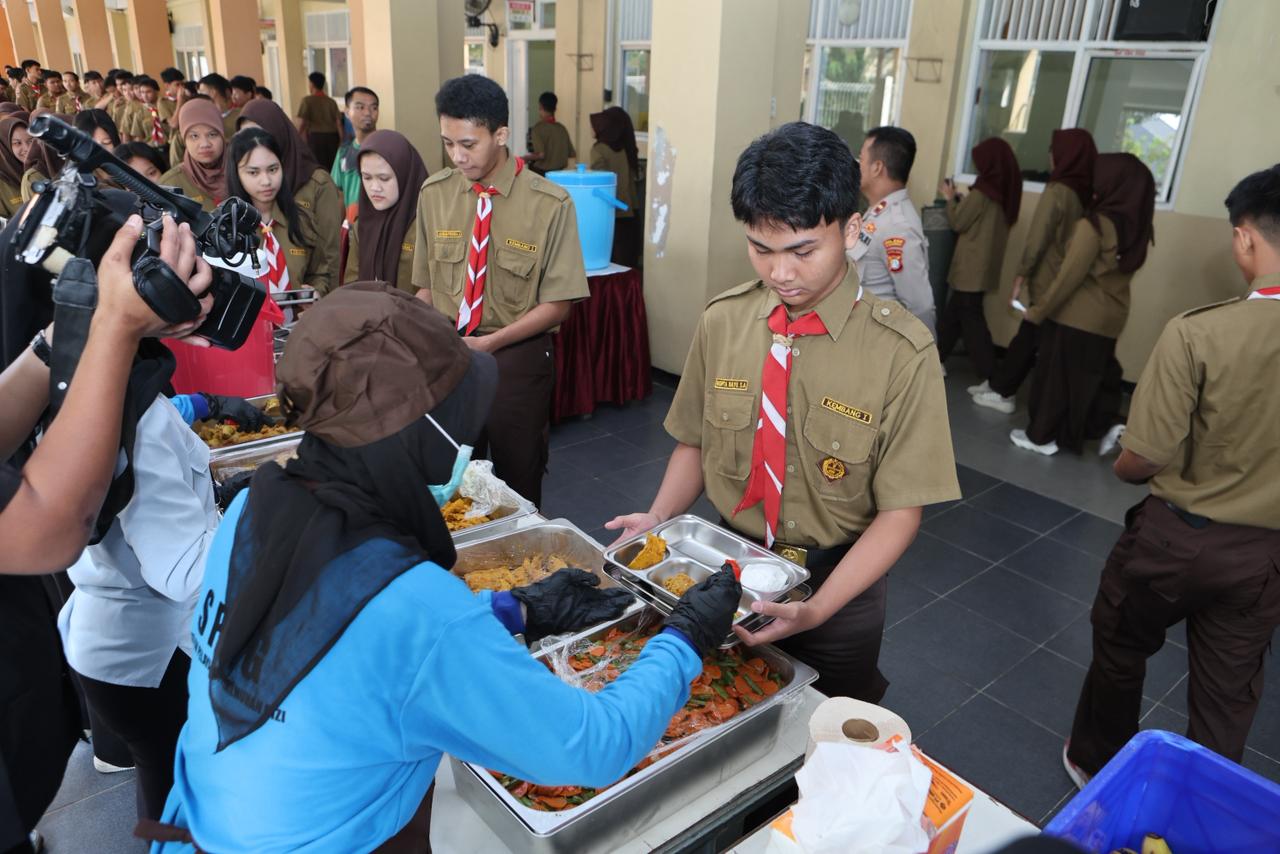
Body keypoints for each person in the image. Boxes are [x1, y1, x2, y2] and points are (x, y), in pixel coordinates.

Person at [145, 283, 741, 852]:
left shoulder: (254, 508)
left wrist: (514, 609)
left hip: (207, 821)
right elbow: (593, 746)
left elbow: (339, 649)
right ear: (419, 437)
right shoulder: (418, 608)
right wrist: (684, 638)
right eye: (458, 421)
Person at [606, 122, 961, 700]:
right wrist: (659, 517)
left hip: (838, 587)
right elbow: (695, 441)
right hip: (726, 566)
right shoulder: (724, 321)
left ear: (851, 230)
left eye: (803, 251)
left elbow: (901, 513)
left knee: (827, 724)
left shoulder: (902, 352)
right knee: (719, 706)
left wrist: (818, 608)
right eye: (761, 249)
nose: (780, 274)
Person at [1063, 165, 1280, 788]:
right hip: (1264, 557)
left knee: (1121, 642)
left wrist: (1122, 459)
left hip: (1177, 540)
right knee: (1228, 690)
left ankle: (1099, 761)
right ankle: (1204, 800)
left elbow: (1145, 459)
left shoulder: (1199, 331)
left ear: (1245, 238)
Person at [0, 216, 212, 853]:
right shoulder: (131, 417)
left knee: (157, 772)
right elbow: (186, 572)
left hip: (100, 652)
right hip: (145, 659)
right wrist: (261, 527)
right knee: (176, 777)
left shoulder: (59, 400)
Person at [412, 74, 589, 506]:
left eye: (468, 144)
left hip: (516, 359)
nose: (457, 156)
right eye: (448, 143)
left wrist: (490, 343)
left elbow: (558, 304)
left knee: (517, 484)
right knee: (451, 482)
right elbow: (427, 288)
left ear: (501, 135)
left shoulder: (550, 204)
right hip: (451, 356)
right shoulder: (435, 194)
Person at [1010, 153, 1155, 457]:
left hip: (1077, 315)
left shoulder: (1094, 226)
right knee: (1090, 378)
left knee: (1055, 379)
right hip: (1111, 316)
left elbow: (1067, 277)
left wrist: (1038, 311)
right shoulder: (1138, 228)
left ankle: (1041, 437)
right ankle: (1105, 425)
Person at [973, 128, 1097, 413]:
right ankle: (1000, 385)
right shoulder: (1085, 192)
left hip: (1046, 274)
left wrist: (1021, 275)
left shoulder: (1057, 191)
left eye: (1054, 151)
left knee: (1031, 333)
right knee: (1034, 335)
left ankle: (1004, 391)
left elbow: (1038, 237)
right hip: (1065, 277)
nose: (1050, 157)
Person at [239, 98, 345, 295]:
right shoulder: (242, 183)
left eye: (261, 135)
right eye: (246, 136)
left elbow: (329, 254)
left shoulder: (317, 183)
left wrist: (324, 299)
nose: (254, 144)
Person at [936, 138, 1021, 379]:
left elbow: (958, 222)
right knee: (954, 315)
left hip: (971, 266)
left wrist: (950, 198)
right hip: (984, 266)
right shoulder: (1004, 190)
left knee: (971, 321)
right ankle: (935, 358)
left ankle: (992, 375)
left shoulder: (983, 191)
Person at [851, 126, 935, 337]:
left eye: (862, 159)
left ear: (877, 167)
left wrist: (925, 354)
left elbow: (921, 306)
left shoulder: (898, 227)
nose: (858, 165)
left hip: (879, 341)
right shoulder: (878, 212)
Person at [228, 127, 332, 296]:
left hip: (297, 314)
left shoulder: (303, 219)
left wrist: (316, 292)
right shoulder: (225, 229)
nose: (266, 181)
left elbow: (320, 274)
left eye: (273, 169)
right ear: (236, 173)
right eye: (253, 172)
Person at [345, 129, 427, 292]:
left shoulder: (426, 224)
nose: (374, 187)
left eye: (384, 178)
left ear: (405, 175)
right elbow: (351, 285)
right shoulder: (362, 225)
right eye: (367, 177)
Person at [588, 106, 642, 267]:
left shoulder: (599, 149)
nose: (593, 128)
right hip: (632, 210)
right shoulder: (627, 147)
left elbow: (600, 182)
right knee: (628, 258)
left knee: (611, 261)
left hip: (611, 210)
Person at [159, 99, 228, 212]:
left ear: (222, 135)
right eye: (194, 136)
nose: (204, 144)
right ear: (184, 140)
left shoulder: (242, 172)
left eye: (212, 134)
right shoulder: (170, 185)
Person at [332, 85, 379, 211]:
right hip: (352, 220)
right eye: (360, 107)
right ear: (347, 112)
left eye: (374, 107)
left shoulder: (387, 148)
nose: (368, 113)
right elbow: (339, 194)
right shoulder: (343, 153)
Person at [295, 71, 343, 173]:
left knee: (318, 166)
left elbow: (302, 122)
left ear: (312, 84)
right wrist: (341, 139)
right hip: (332, 138)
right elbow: (338, 123)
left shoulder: (307, 101)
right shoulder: (331, 101)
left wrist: (296, 136)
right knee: (332, 165)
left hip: (316, 138)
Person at [526, 91, 575, 175]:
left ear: (540, 106)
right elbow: (572, 154)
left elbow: (541, 155)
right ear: (555, 109)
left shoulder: (538, 128)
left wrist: (523, 158)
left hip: (542, 174)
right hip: (560, 174)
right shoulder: (562, 128)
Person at [0, 116, 30, 217]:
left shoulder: (42, 168)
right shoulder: (2, 183)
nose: (27, 148)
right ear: (5, 147)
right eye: (17, 143)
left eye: (30, 141)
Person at [198, 73, 240, 138]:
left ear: (227, 92)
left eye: (203, 92)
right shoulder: (203, 118)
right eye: (200, 93)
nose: (201, 97)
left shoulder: (241, 115)